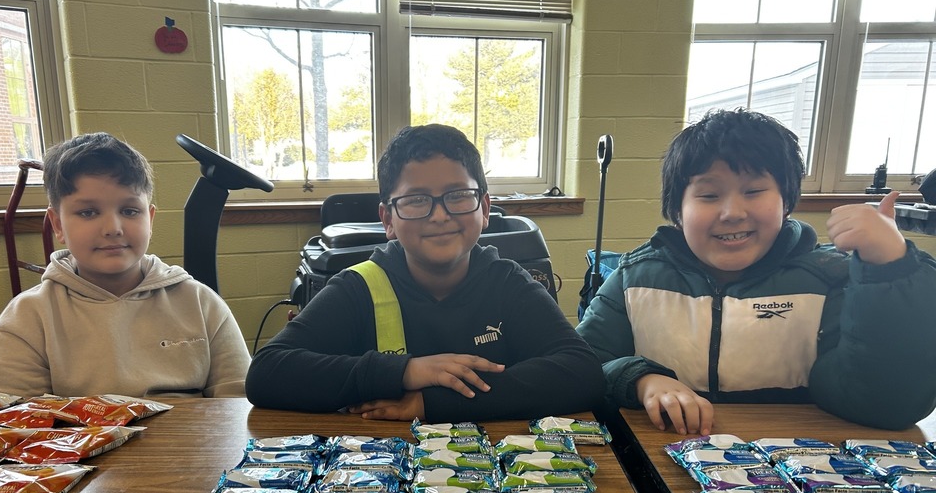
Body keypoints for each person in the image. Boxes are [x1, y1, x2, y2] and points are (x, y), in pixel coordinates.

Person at [577, 108, 936, 435]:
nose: (732, 212)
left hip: (799, 476)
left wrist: (887, 270)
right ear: (677, 210)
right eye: (708, 195)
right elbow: (582, 367)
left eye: (754, 190)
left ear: (786, 201)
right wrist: (642, 378)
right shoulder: (634, 277)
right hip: (663, 463)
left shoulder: (832, 279)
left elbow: (886, 404)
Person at [246, 123, 604, 421]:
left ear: (484, 208)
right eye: (416, 200)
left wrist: (429, 403)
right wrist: (407, 371)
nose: (439, 214)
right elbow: (266, 375)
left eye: (458, 194)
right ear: (388, 219)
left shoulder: (507, 282)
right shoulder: (359, 287)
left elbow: (581, 374)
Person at [0, 132, 250, 398]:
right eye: (88, 213)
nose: (113, 229)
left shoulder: (202, 304)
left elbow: (237, 406)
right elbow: (17, 422)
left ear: (150, 219)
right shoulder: (26, 319)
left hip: (195, 439)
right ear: (57, 225)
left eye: (130, 211)